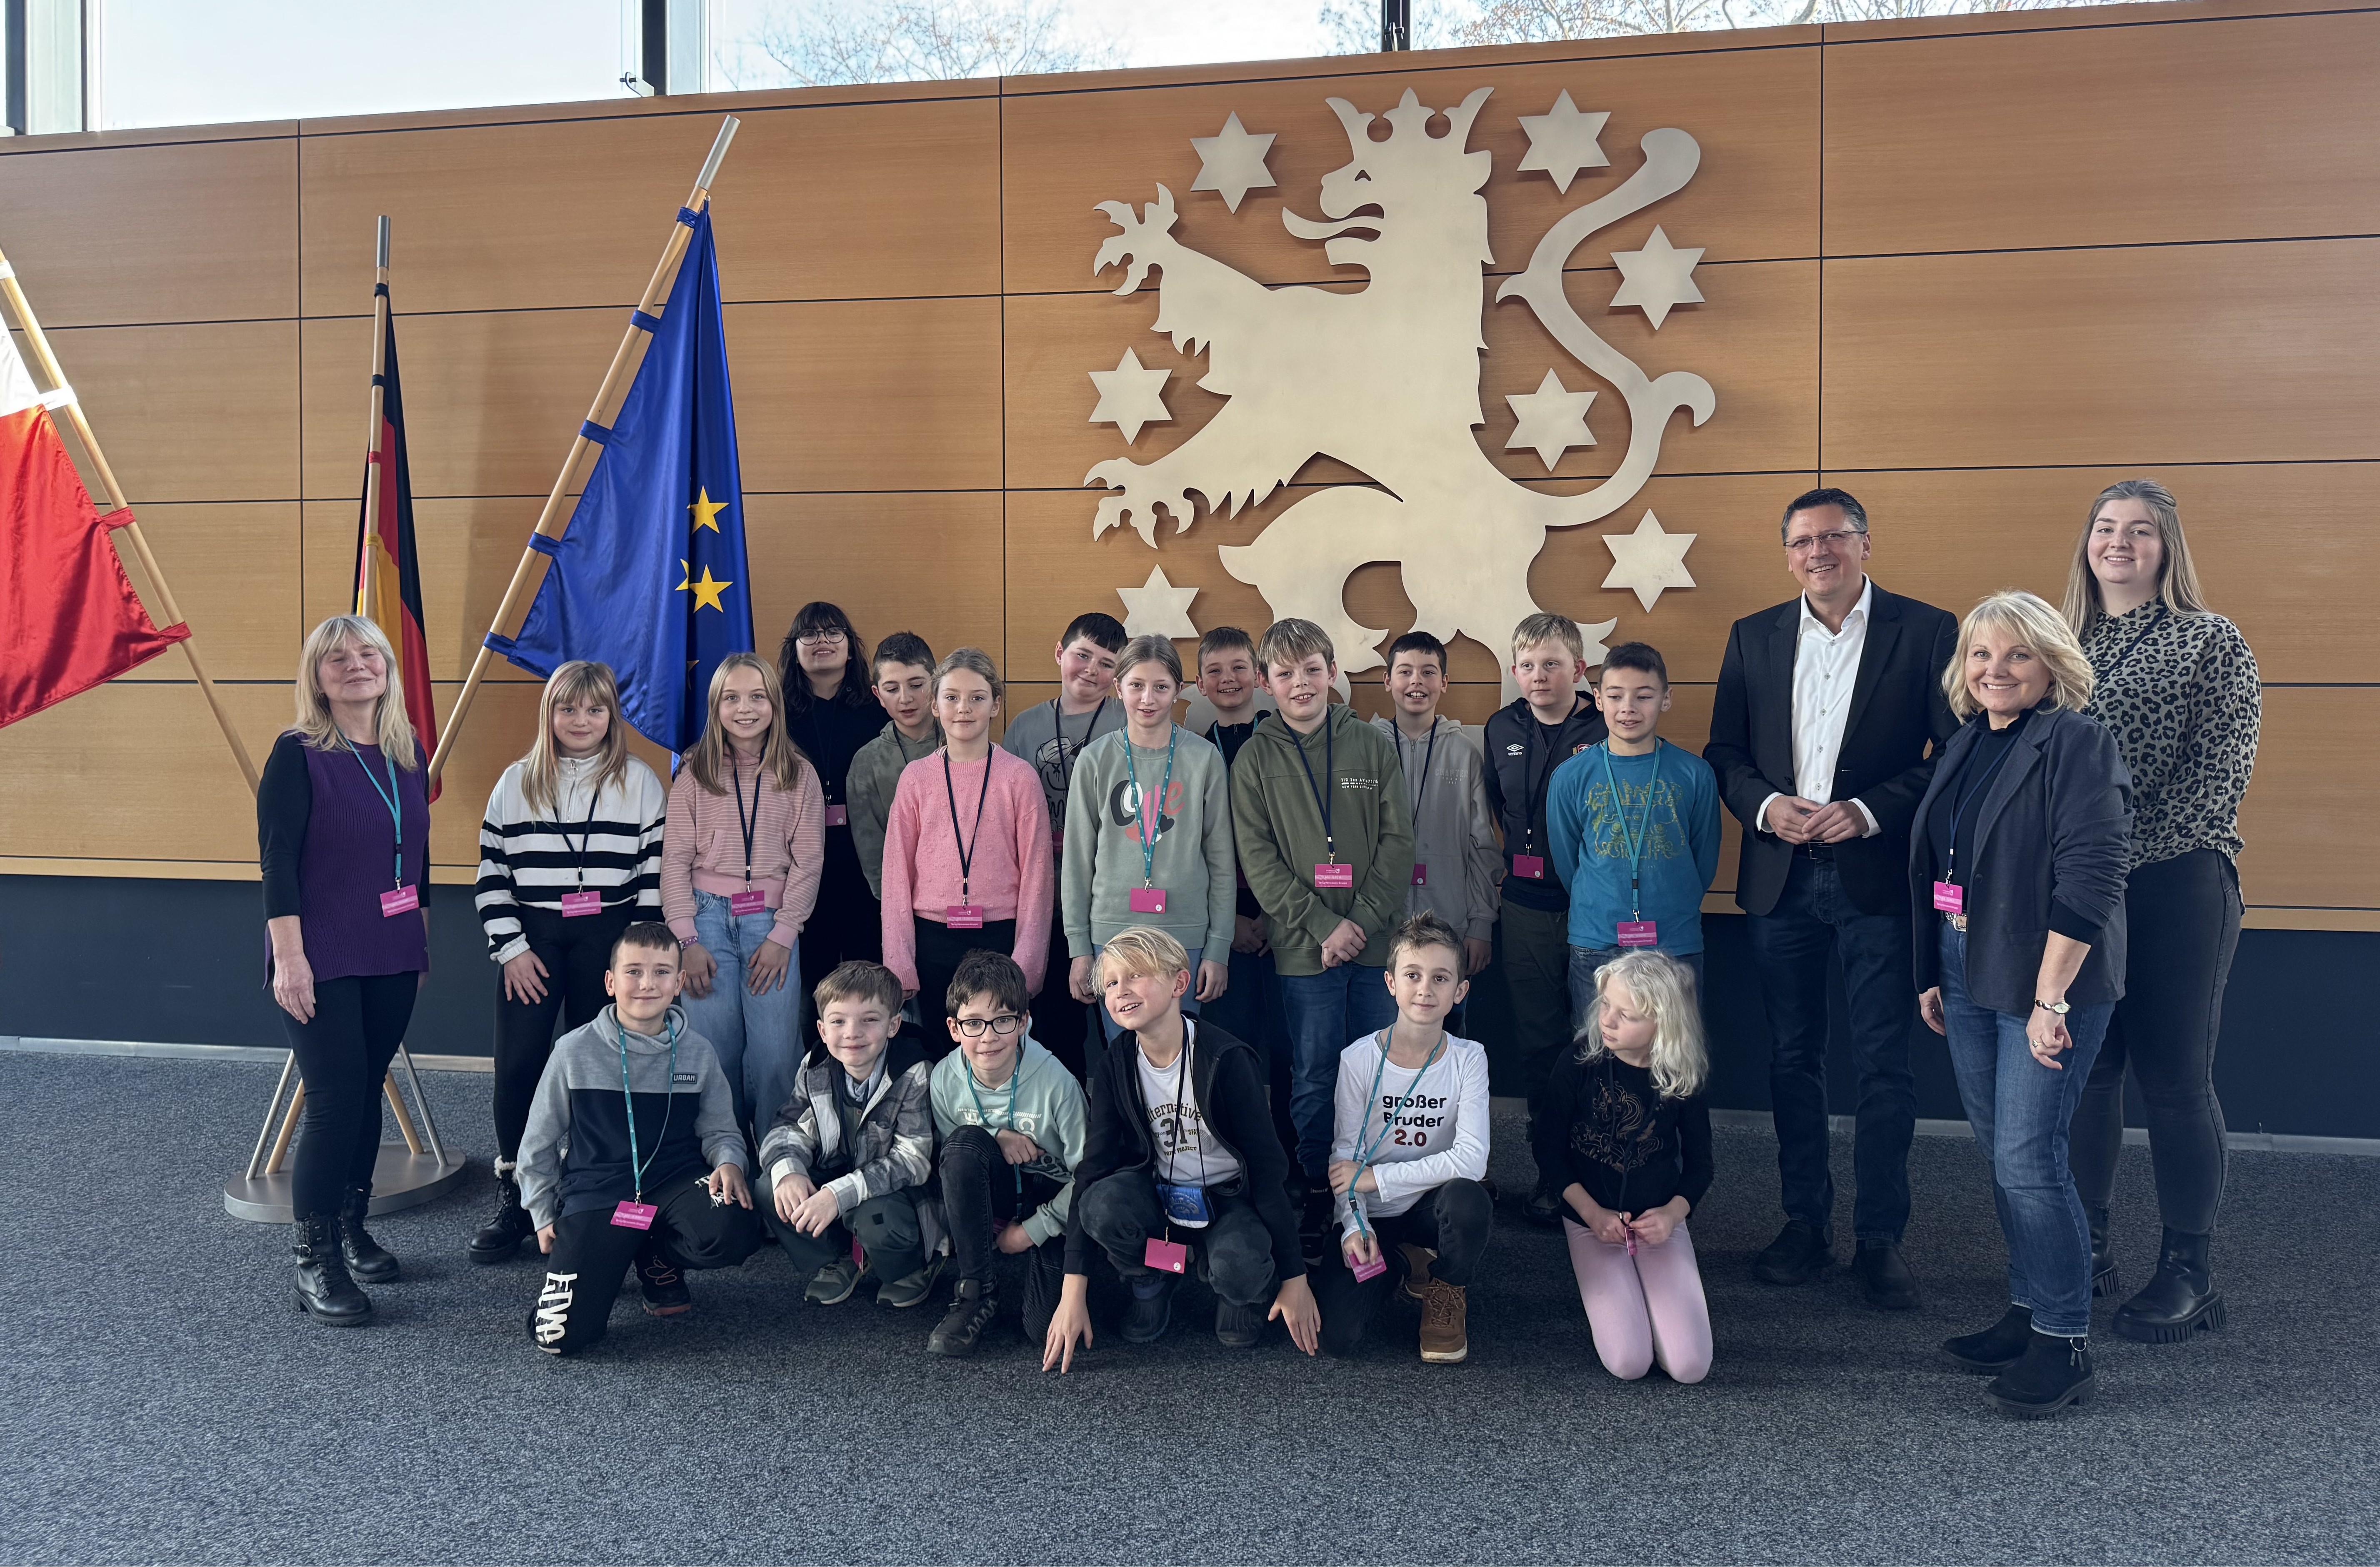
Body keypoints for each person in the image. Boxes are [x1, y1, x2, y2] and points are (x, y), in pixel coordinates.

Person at [1704, 487, 1957, 1309]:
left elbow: (1954, 752)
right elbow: (1724, 752)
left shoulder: (1926, 631)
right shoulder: (1753, 635)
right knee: (1792, 1058)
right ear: (1788, 556)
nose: (1819, 551)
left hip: (1876, 878)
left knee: (1883, 1063)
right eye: (1803, 541)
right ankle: (1803, 1223)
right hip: (1780, 878)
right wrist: (1764, 806)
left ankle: (1880, 1238)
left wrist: (1872, 809)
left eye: (1835, 536)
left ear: (1865, 543)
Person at [1915, 590, 2132, 1417]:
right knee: (2001, 1150)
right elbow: (1945, 862)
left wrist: (2051, 998)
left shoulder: (2077, 742)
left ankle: (2064, 1338)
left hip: (2047, 976)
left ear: (2052, 665)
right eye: (1981, 653)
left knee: (2029, 1158)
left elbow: (2093, 877)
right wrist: (1933, 970)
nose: (1994, 669)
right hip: (1966, 964)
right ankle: (2028, 1307)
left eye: (2016, 654)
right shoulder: (1967, 741)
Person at [2062, 479, 2259, 1345]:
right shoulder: (2059, 643)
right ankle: (2086, 1246)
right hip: (2079, 891)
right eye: (2106, 527)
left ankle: (2189, 1272)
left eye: (2139, 530)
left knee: (2174, 1080)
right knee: (2089, 1073)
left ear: (2166, 548)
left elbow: (2219, 775)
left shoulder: (2210, 640)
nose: (2119, 542)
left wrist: (2111, 855)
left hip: (2177, 881)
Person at [260, 614, 432, 1325]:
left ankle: (351, 1226)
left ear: (387, 667)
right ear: (318, 678)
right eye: (338, 659)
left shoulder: (406, 751)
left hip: (392, 948)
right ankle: (314, 1260)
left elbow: (416, 857)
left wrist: (420, 940)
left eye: (368, 654)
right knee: (334, 1101)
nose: (356, 666)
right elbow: (277, 863)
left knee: (366, 1092)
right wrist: (289, 959)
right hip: (320, 951)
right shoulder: (297, 753)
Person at [1045, 927, 1320, 1369]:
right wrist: (1072, 1292)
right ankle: (1155, 1274)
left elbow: (1269, 1172)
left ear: (1179, 983)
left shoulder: (1227, 1059)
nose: (1121, 990)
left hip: (1229, 1200)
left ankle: (1234, 1287)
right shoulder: (1116, 1062)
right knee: (1101, 1205)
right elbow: (1092, 1170)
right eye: (1111, 982)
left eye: (1136, 975)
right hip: (1161, 1198)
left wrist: (1295, 1276)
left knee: (1238, 1266)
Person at [469, 659, 668, 1262]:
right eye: (568, 708)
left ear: (612, 716)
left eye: (595, 709)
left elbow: (652, 878)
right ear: (549, 714)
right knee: (520, 1065)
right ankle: (517, 1193)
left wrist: (637, 961)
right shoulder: (516, 782)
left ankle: (588, 1188)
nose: (581, 720)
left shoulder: (640, 781)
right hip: (533, 939)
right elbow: (491, 876)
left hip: (609, 938)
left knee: (600, 1067)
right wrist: (512, 949)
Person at [1231, 618, 1414, 1247]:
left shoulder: (1371, 744)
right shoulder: (1255, 759)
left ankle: (1374, 1187)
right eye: (1286, 674)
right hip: (1304, 949)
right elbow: (1258, 860)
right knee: (1313, 1073)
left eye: (1312, 669)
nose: (1301, 683)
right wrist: (1323, 925)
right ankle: (1317, 1186)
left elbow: (1398, 841)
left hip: (1374, 944)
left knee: (1377, 1068)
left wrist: (1359, 922)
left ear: (1333, 672)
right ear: (1266, 683)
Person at [520, 922, 763, 1355]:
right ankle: (614, 1255)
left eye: (661, 972)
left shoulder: (699, 1052)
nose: (647, 984)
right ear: (610, 982)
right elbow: (537, 1143)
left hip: (675, 1182)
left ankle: (656, 1254)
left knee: (735, 1227)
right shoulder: (573, 1051)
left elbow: (721, 1130)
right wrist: (541, 1212)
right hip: (599, 1191)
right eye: (633, 972)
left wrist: (729, 1161)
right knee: (559, 1338)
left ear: (679, 983)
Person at [660, 652, 826, 1137]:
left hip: (771, 923)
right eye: (731, 698)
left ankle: (778, 1153)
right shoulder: (695, 772)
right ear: (716, 707)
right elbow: (674, 861)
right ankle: (725, 1150)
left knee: (776, 1054)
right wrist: (686, 941)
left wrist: (784, 934)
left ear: (775, 703)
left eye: (757, 697)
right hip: (704, 921)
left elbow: (809, 861)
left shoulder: (799, 773)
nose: (745, 708)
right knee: (715, 1051)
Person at [1318, 914, 1493, 1364]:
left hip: (1432, 1206)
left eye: (1441, 978)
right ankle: (1402, 1261)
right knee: (1337, 1338)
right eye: (1413, 975)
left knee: (1469, 1199)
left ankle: (1447, 1286)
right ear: (1391, 983)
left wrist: (1377, 1178)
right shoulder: (1357, 1059)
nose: (1425, 990)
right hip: (1374, 1213)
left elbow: (1472, 1161)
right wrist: (1355, 1226)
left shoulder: (1469, 1059)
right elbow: (1345, 1159)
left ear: (1460, 991)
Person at [1481, 611, 1606, 1224]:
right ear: (1514, 670)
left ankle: (1601, 1171)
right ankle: (1551, 1175)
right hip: (1525, 909)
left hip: (1594, 910)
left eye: (1552, 664)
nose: (1538, 676)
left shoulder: (1606, 724)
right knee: (1539, 1047)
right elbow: (1495, 803)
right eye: (1527, 665)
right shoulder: (1501, 726)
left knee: (1597, 1044)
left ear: (1578, 669)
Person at [1542, 950, 1715, 1385]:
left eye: (1627, 1015)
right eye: (1606, 1005)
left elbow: (1701, 1167)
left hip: (1658, 1220)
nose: (1608, 1020)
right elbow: (1548, 1149)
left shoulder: (1682, 1076)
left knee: (1690, 1367)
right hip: (1591, 1218)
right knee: (1628, 1362)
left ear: (1663, 1025)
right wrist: (1590, 1214)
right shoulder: (1578, 1060)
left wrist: (1672, 1215)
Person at [1063, 634, 1235, 1043]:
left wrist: (1218, 947)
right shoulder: (1094, 760)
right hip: (1112, 936)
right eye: (1137, 685)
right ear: (1118, 687)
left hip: (1185, 935)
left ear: (1178, 690)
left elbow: (1221, 861)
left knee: (1180, 1054)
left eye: (1161, 687)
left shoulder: (1204, 758)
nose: (1148, 698)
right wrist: (1079, 947)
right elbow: (1077, 862)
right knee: (1123, 1053)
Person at [881, 648, 1053, 1038]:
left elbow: (1038, 876)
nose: (964, 708)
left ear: (996, 705)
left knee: (997, 1050)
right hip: (932, 939)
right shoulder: (916, 778)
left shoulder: (1019, 777)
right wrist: (899, 962)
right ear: (935, 705)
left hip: (1000, 938)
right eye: (952, 697)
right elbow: (895, 875)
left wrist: (1028, 963)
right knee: (941, 1050)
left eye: (977, 697)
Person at [926, 950, 1087, 1357]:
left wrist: (1034, 1230)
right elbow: (952, 1161)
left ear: (1024, 1022)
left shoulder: (1058, 1083)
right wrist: (996, 1135)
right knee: (962, 1145)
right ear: (954, 1028)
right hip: (996, 1187)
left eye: (1003, 1020)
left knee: (1041, 1329)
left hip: (1050, 1195)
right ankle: (976, 1290)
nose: (988, 1037)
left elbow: (1088, 1176)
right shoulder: (944, 1078)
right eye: (973, 1023)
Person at [1547, 642, 1721, 1017]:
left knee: (1676, 1048)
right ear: (1598, 699)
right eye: (1615, 696)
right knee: (1600, 1047)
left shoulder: (1695, 774)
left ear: (1666, 699)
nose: (1628, 708)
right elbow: (1567, 860)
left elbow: (1704, 858)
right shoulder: (1570, 776)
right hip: (1597, 940)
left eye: (1644, 696)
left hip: (1675, 941)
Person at [758, 960, 940, 1309]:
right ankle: (839, 1258)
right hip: (844, 1174)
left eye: (869, 1020)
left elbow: (913, 1162)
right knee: (773, 1185)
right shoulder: (815, 1065)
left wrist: (836, 1195)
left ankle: (914, 1266)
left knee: (874, 1216)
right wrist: (789, 1171)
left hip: (902, 1195)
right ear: (822, 1030)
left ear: (893, 1025)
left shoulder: (915, 1072)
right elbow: (788, 1127)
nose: (852, 1033)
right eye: (838, 1021)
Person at [1004, 611, 1129, 1078]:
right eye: (1083, 656)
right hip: (1044, 900)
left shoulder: (1128, 721)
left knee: (1123, 1023)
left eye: (1107, 664)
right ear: (1060, 653)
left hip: (1111, 897)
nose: (1092, 671)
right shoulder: (1025, 727)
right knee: (1058, 1025)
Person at [1192, 624, 1294, 1157]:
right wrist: (1225, 923)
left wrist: (1279, 915)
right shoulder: (1191, 750)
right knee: (1230, 1047)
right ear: (1199, 684)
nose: (1228, 679)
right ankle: (1236, 1157)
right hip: (1220, 917)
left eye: (1238, 668)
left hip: (1287, 915)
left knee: (1290, 1047)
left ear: (1258, 677)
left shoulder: (1285, 741)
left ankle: (1291, 1159)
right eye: (1215, 670)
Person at [1369, 632, 1501, 1015]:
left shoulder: (1464, 753)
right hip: (1381, 926)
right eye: (1405, 672)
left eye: (1428, 672)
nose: (1417, 681)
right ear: (1387, 680)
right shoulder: (1367, 747)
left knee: (1447, 1028)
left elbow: (1482, 845)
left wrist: (1481, 923)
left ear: (1444, 683)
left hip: (1450, 925)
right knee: (1384, 1029)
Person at [778, 602, 890, 991]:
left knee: (870, 977)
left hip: (865, 862)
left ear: (850, 646)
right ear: (794, 649)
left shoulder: (878, 709)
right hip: (798, 863)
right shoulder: (776, 713)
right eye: (809, 634)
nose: (821, 641)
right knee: (812, 983)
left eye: (832, 632)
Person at [847, 630, 939, 904]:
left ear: (936, 682)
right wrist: (894, 902)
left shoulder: (965, 746)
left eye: (916, 685)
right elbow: (872, 850)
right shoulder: (867, 762)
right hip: (903, 901)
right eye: (892, 689)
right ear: (878, 694)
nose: (905, 698)